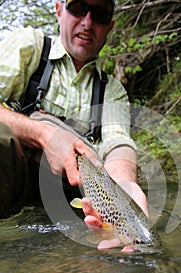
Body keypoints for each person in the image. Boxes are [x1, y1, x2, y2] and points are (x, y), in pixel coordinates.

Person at [0, 0, 148, 251]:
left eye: (99, 14)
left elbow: (118, 143)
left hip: (70, 199)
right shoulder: (29, 46)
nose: (88, 22)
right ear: (59, 10)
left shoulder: (111, 90)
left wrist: (125, 186)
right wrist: (43, 134)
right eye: (78, 7)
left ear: (109, 26)